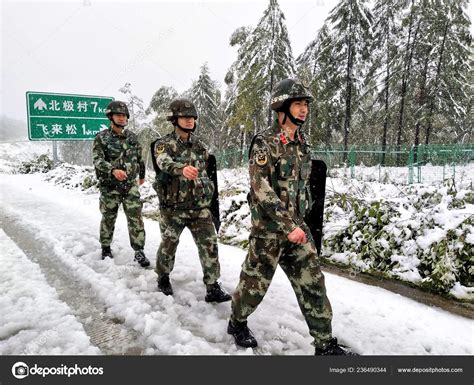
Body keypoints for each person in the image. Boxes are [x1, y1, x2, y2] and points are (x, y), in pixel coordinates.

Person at [227, 79, 353, 355]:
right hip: (269, 232)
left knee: (313, 284)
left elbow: (303, 186)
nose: (304, 109)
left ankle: (324, 344)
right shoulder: (265, 142)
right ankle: (237, 322)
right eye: (298, 103)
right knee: (252, 288)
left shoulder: (303, 144)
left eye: (306, 104)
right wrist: (287, 225)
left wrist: (302, 222)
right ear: (282, 107)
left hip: (297, 230)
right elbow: (260, 188)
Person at [151, 99, 231, 303]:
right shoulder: (163, 145)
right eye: (185, 117)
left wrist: (211, 204)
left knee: (210, 245)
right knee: (169, 244)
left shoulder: (200, 147)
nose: (189, 121)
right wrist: (181, 169)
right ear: (175, 119)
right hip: (173, 208)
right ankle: (163, 277)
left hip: (198, 208)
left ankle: (212, 286)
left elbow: (206, 175)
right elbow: (163, 163)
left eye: (192, 118)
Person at [92, 100, 150, 268]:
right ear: (111, 117)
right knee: (109, 217)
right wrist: (112, 170)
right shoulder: (102, 138)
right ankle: (105, 247)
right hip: (110, 185)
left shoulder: (132, 137)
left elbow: (139, 157)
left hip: (130, 185)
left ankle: (139, 251)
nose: (122, 118)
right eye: (118, 115)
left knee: (136, 218)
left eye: (124, 115)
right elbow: (97, 160)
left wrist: (142, 175)